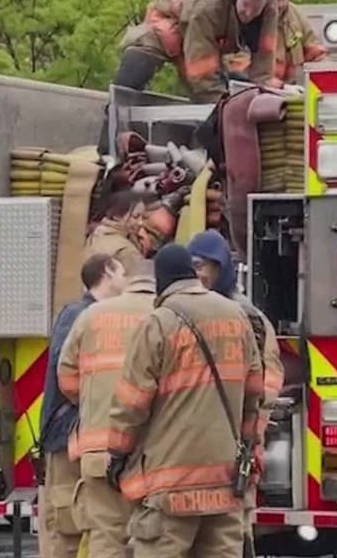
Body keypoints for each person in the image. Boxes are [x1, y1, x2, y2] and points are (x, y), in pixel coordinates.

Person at [105, 244, 263, 557]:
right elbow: (254, 393)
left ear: (162, 281)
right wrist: (246, 445)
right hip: (225, 481)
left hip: (171, 483)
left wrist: (118, 453)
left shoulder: (159, 323)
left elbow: (132, 403)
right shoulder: (237, 317)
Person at [187, 230, 284, 558]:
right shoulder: (188, 310)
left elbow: (267, 378)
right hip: (202, 437)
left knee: (236, 524)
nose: (199, 273)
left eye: (205, 266)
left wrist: (252, 429)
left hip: (237, 438)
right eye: (194, 266)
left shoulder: (248, 316)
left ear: (222, 268)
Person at [56, 261, 157, 556]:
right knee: (154, 539)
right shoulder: (167, 316)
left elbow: (66, 378)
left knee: (105, 536)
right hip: (151, 453)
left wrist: (93, 403)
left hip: (99, 451)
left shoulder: (91, 316)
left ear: (130, 280)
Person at [40, 253, 128, 558]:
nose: (126, 279)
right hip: (67, 433)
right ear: (106, 272)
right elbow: (64, 371)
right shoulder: (77, 314)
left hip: (82, 432)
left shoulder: (96, 315)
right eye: (121, 272)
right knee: (67, 523)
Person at [115, 0, 280, 103]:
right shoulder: (205, 7)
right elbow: (202, 73)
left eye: (256, 9)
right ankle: (111, 134)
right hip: (169, 21)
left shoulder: (270, 2)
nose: (249, 14)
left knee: (224, 89)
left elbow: (265, 51)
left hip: (206, 37)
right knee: (138, 67)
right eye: (245, 5)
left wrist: (261, 94)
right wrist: (222, 107)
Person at [225, 0, 326, 88]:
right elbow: (237, 68)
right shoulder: (246, 19)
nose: (279, 5)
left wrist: (325, 75)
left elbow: (316, 53)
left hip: (293, 91)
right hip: (255, 90)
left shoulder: (295, 16)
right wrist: (270, 83)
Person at [84, 189, 150, 276]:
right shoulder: (126, 250)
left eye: (143, 217)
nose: (140, 223)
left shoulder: (96, 234)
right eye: (135, 217)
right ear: (117, 216)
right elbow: (137, 282)